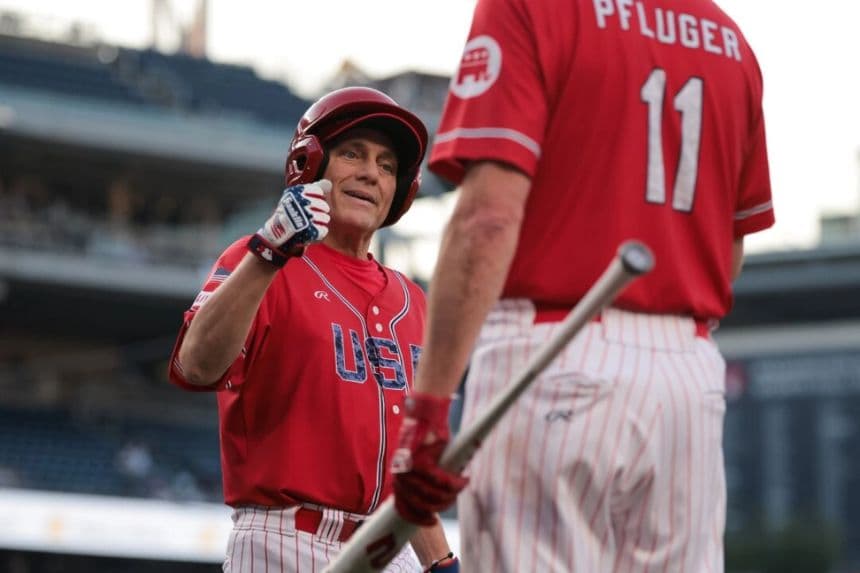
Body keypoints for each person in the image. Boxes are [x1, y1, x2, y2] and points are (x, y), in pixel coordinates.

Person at [391, 1, 775, 571]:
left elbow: (487, 220)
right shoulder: (730, 41)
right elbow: (730, 250)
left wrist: (428, 407)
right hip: (687, 373)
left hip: (550, 351)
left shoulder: (529, 7)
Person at [169, 87, 459, 572]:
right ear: (311, 164)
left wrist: (441, 562)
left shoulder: (414, 301)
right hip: (285, 541)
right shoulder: (257, 258)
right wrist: (270, 250)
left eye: (388, 166)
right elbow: (194, 366)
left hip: (394, 547)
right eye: (353, 154)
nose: (371, 173)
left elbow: (406, 465)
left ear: (401, 191)